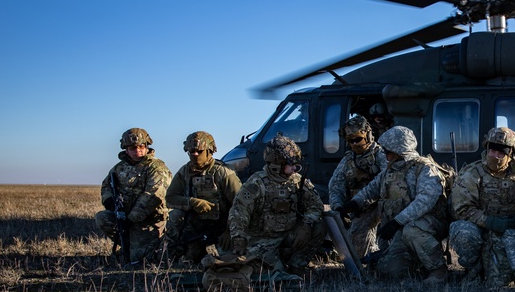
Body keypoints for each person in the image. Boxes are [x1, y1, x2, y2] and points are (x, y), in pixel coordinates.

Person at [338, 126, 449, 285]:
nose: (385, 155)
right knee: (390, 271)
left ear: (400, 151)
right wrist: (354, 203)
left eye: (388, 151)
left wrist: (397, 222)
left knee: (412, 231)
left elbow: (425, 200)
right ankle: (417, 262)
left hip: (427, 226)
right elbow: (371, 190)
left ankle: (438, 269)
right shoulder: (389, 171)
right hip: (399, 231)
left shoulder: (424, 168)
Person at [226, 133, 327, 281]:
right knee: (275, 275)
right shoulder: (256, 183)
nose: (295, 168)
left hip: (288, 237)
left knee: (319, 226)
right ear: (277, 163)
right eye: (290, 164)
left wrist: (306, 224)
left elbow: (316, 205)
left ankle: (297, 265)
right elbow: (239, 211)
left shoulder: (298, 181)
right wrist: (238, 238)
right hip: (261, 241)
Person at [449, 127, 515, 286]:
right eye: (492, 151)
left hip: (506, 230)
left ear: (511, 154)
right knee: (462, 230)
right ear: (487, 149)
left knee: (497, 282)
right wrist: (489, 222)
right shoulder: (471, 173)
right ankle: (473, 269)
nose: (495, 156)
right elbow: (461, 208)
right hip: (478, 228)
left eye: (501, 153)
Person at [96, 127, 172, 265]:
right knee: (102, 218)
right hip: (125, 217)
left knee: (138, 260)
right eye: (133, 148)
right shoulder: (119, 168)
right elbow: (106, 186)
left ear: (147, 147)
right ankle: (129, 244)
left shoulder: (156, 168)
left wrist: (131, 218)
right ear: (126, 149)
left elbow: (154, 195)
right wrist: (109, 201)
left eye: (141, 147)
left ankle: (153, 247)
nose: (137, 151)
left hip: (149, 221)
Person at [164, 131, 242, 265]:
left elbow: (240, 204)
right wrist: (191, 202)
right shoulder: (184, 172)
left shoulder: (223, 172)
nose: (195, 155)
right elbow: (170, 197)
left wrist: (229, 231)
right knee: (175, 217)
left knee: (227, 261)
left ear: (209, 151)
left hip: (222, 226)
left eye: (199, 151)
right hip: (196, 226)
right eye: (191, 151)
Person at [328, 116, 389, 257]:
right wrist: (338, 208)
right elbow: (336, 184)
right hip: (361, 209)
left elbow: (386, 180)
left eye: (358, 139)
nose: (355, 144)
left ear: (367, 136)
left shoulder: (381, 155)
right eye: (351, 141)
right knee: (357, 249)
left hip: (383, 205)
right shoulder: (349, 160)